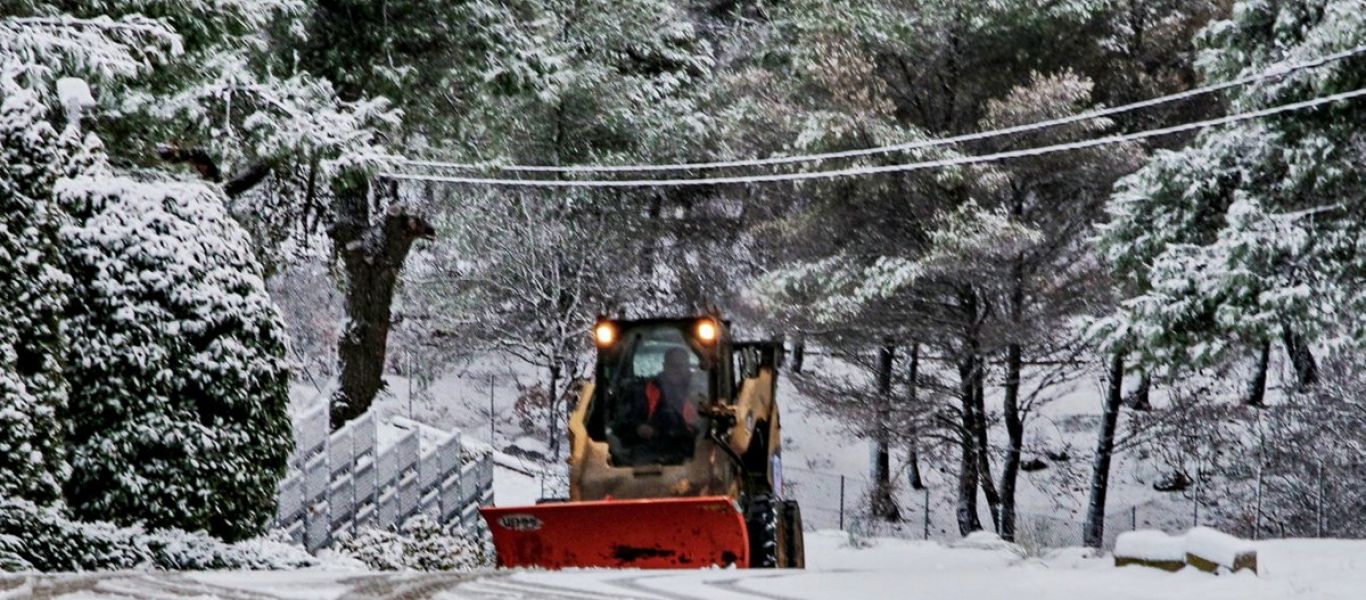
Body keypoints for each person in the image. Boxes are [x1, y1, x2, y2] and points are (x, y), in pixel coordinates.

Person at [624, 347, 701, 461]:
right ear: (664, 366)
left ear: (688, 367)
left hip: (692, 447)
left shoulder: (700, 389)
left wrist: (697, 426)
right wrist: (639, 427)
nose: (677, 370)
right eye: (673, 365)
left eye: (681, 365)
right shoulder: (648, 389)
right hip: (653, 448)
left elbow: (708, 418)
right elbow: (631, 418)